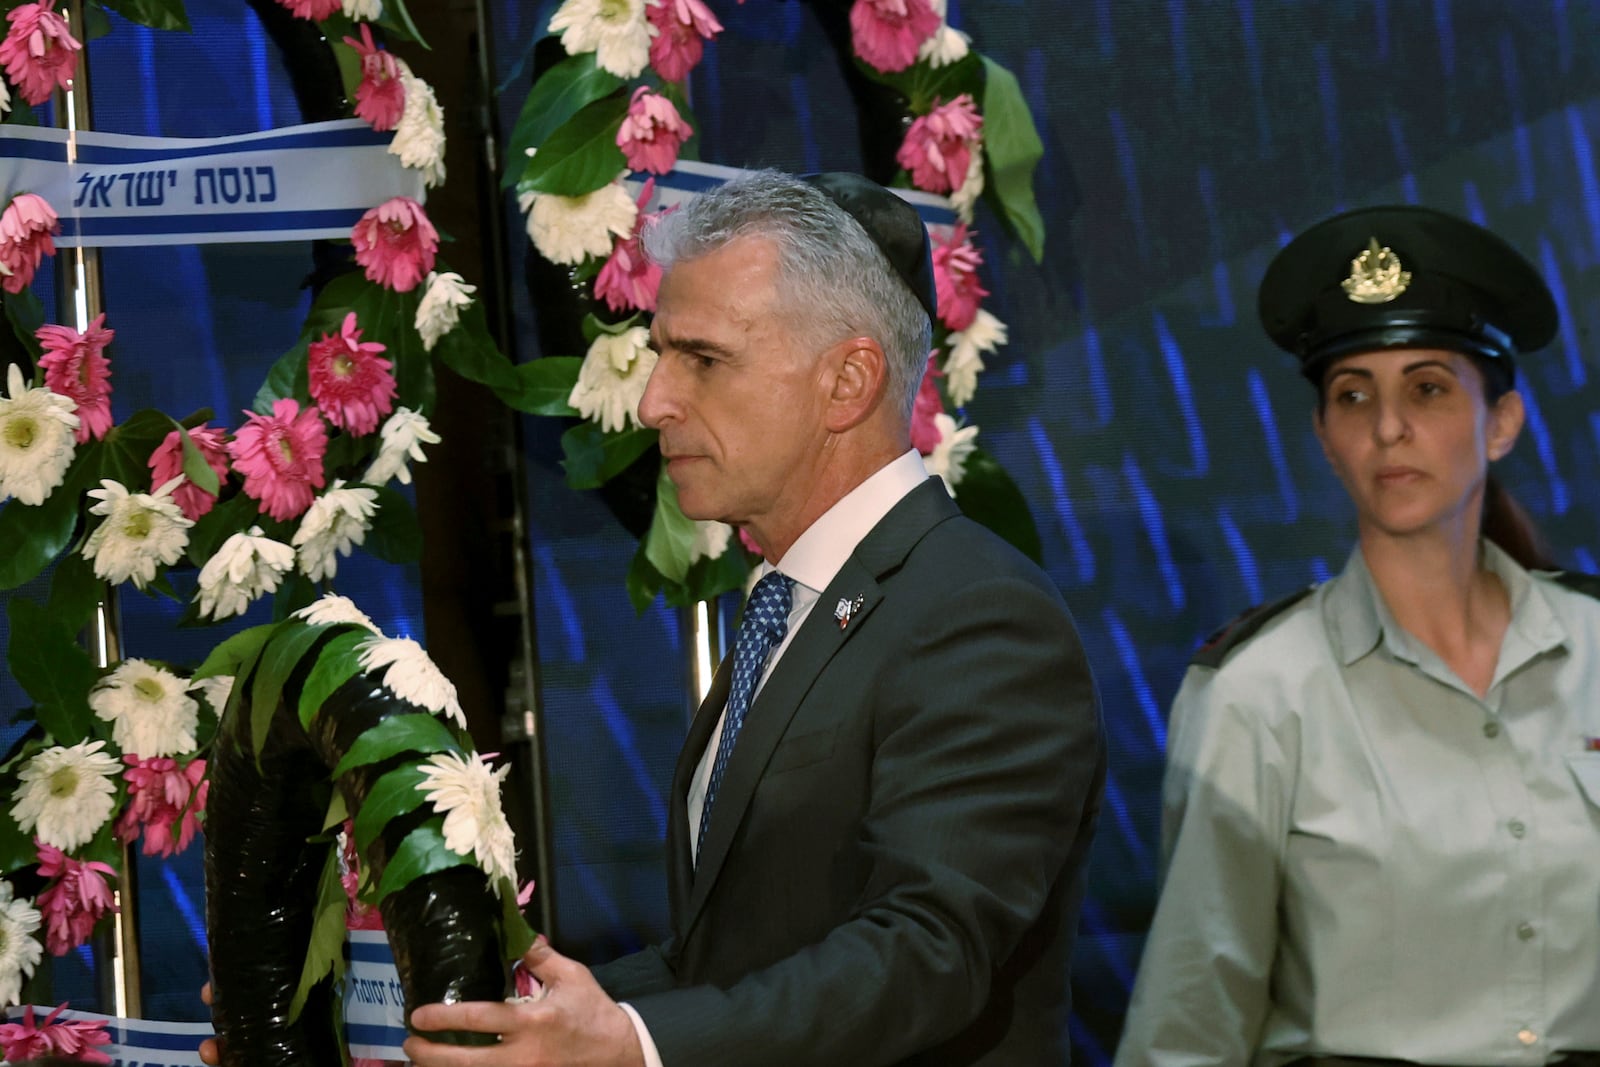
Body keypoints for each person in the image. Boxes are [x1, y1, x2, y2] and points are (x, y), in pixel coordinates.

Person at [401, 170, 1106, 1066]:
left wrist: (634, 1048)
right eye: (659, 355)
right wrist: (479, 1024)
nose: (655, 400)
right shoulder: (795, 601)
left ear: (847, 380)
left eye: (702, 358)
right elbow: (729, 957)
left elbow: (926, 952)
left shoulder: (977, 614)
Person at [1114, 206, 1600, 1067]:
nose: (1387, 428)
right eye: (1353, 395)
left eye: (1428, 387)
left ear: (1502, 422)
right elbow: (1189, 1030)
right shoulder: (1259, 693)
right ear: (1324, 436)